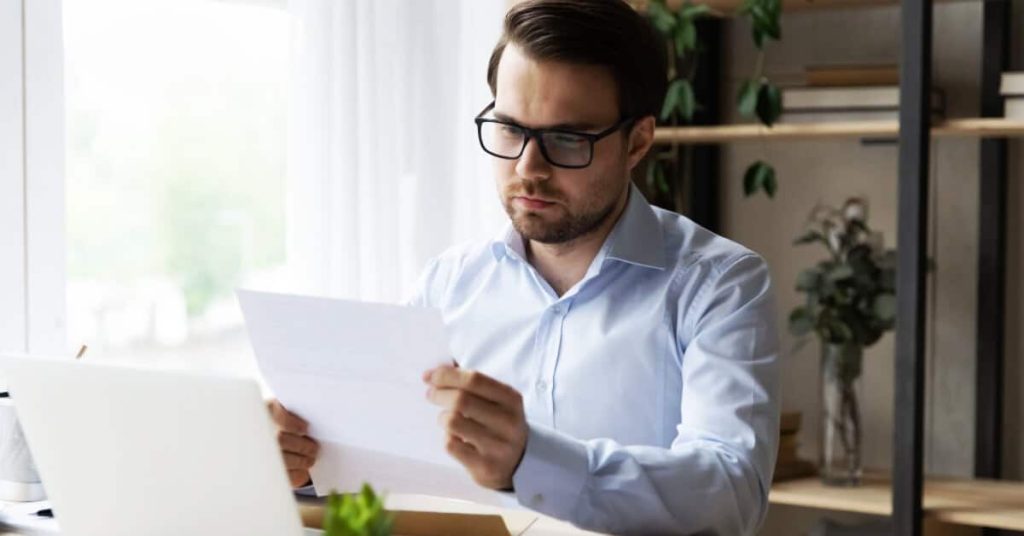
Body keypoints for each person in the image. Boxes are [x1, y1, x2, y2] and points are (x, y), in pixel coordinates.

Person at [270, 0, 781, 533]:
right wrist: (304, 462)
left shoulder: (720, 286)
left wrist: (531, 460)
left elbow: (731, 490)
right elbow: (389, 468)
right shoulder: (448, 284)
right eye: (510, 130)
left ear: (638, 141)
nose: (527, 168)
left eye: (566, 139)